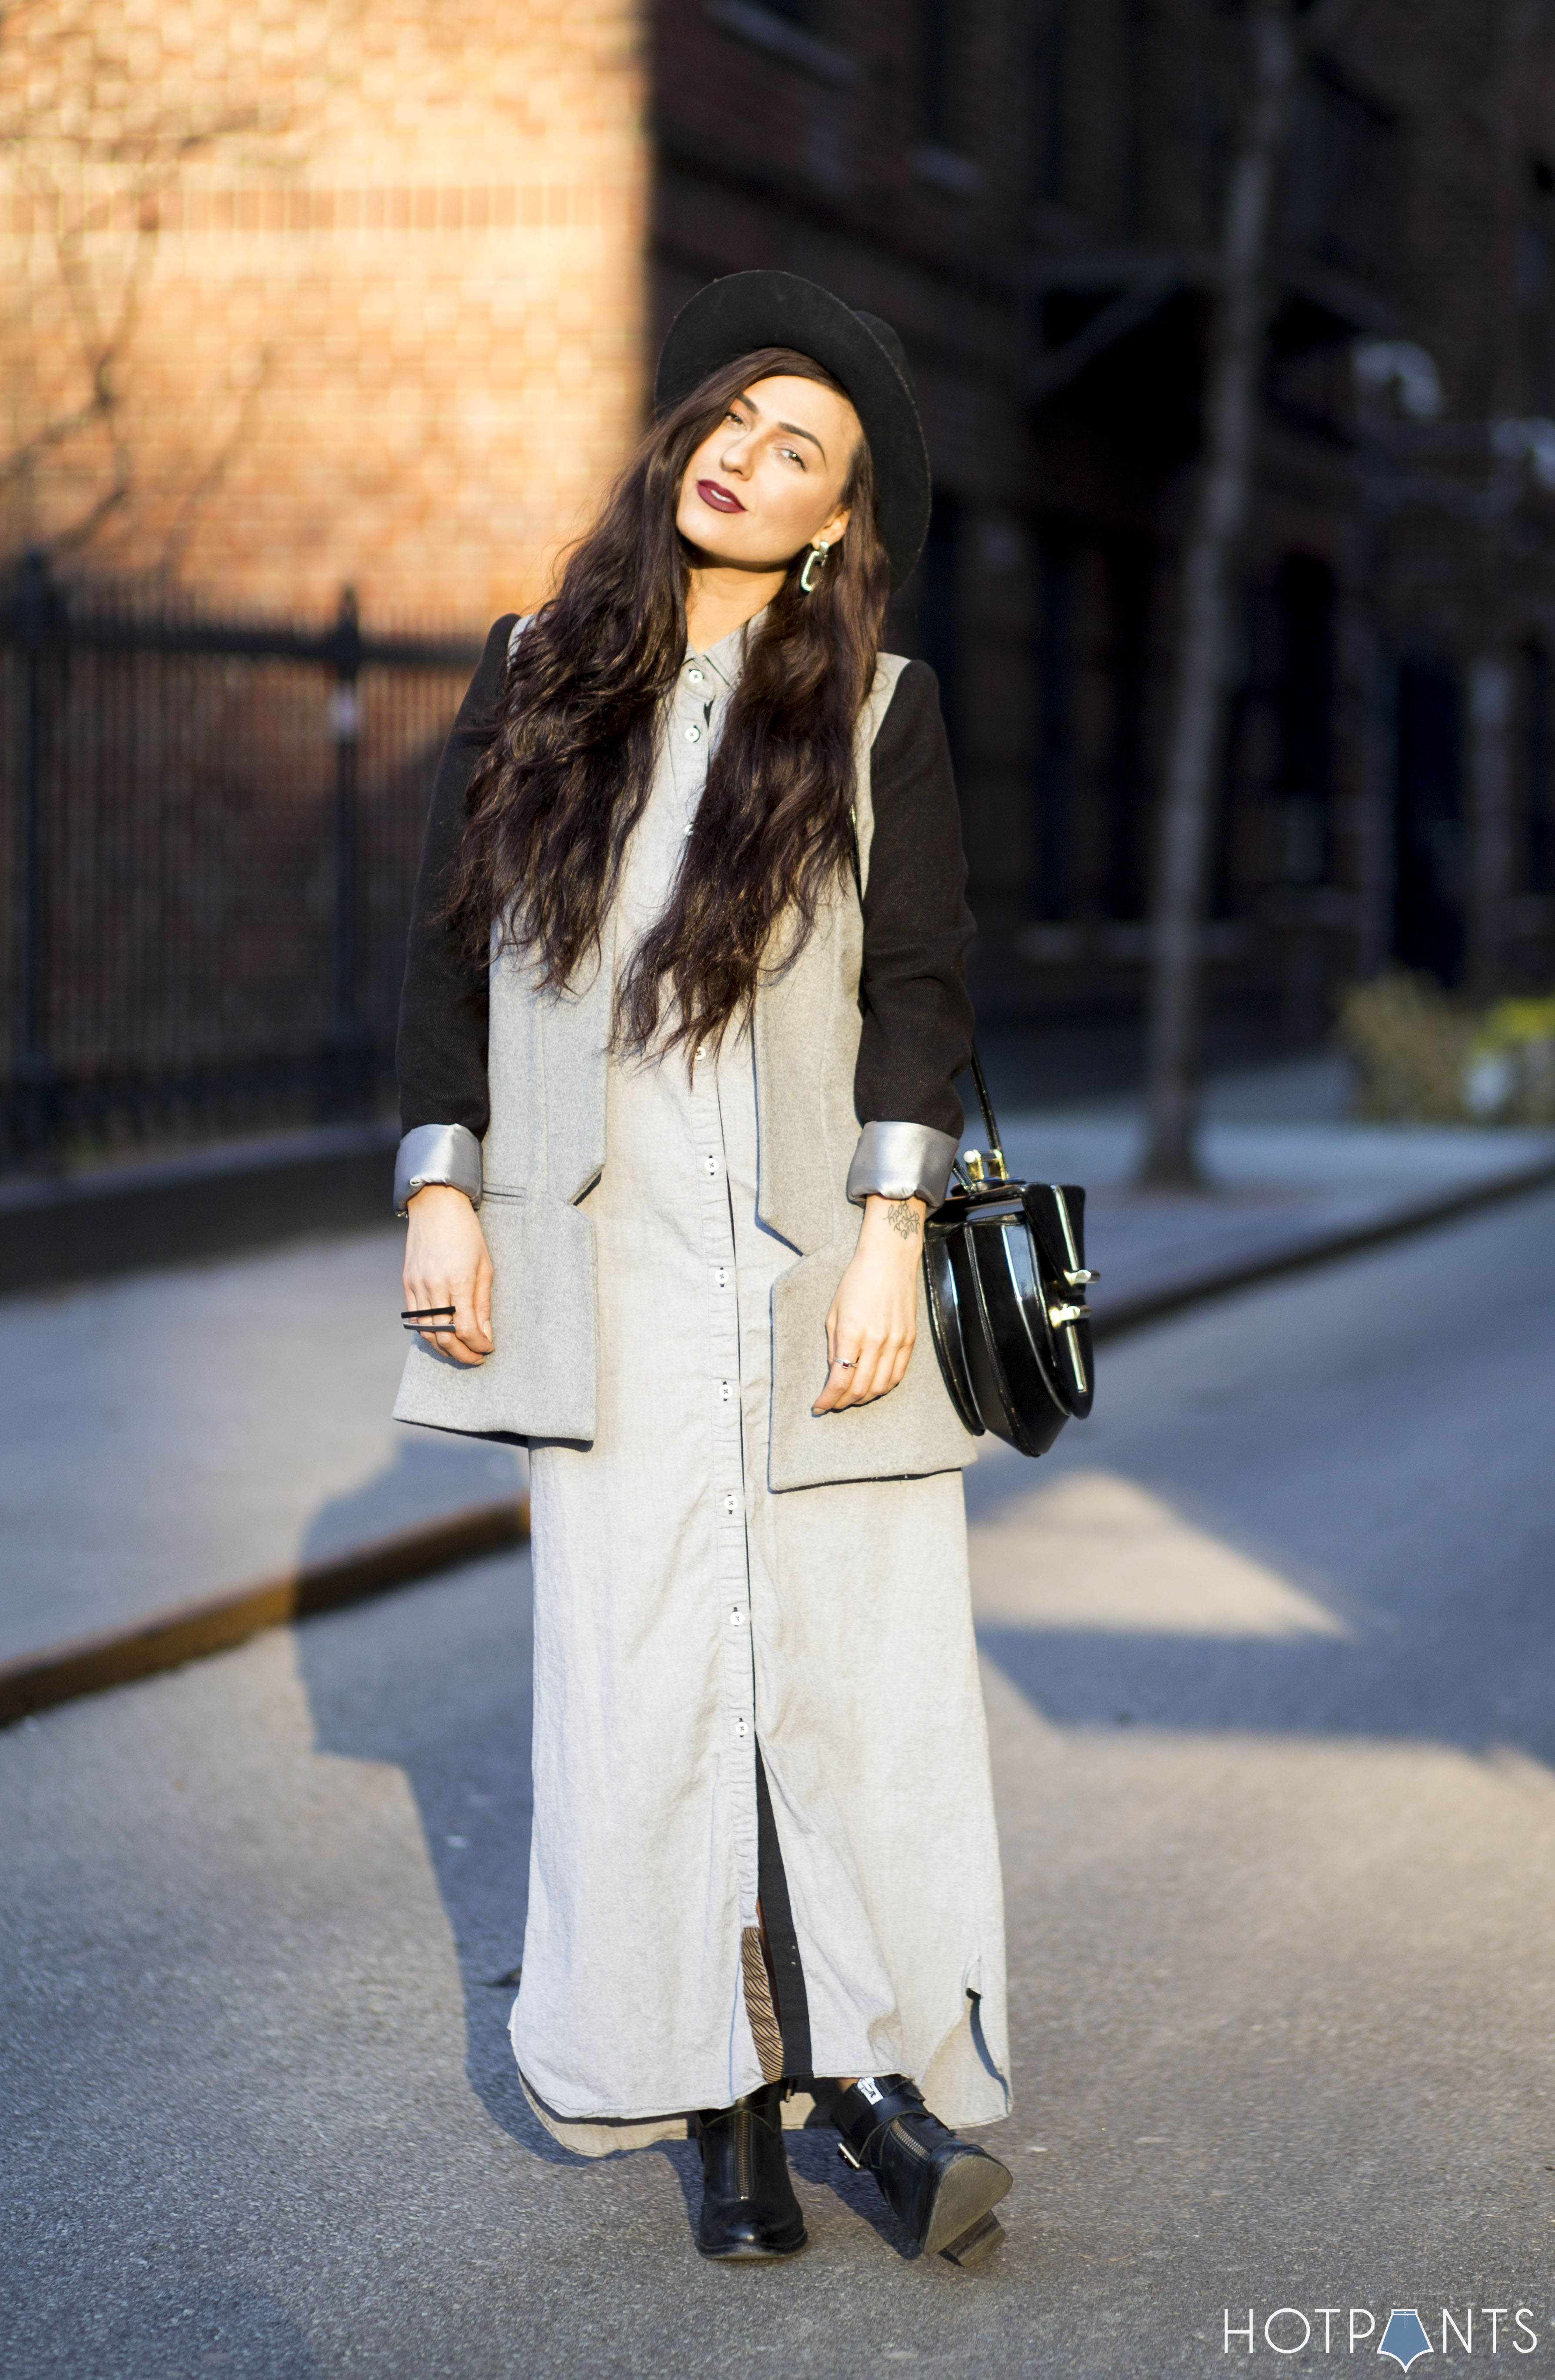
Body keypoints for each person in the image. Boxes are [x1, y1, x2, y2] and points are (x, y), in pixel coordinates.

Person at [392, 271, 1012, 2269]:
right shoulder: (536, 670)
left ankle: (873, 2083)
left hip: (815, 1270)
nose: (751, 460)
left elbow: (923, 987)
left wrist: (886, 1243)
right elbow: (443, 961)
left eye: (801, 450)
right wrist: (440, 1188)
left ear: (837, 518)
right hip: (603, 1268)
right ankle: (716, 2095)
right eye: (736, 419)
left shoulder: (879, 713)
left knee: (851, 1687)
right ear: (686, 439)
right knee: (651, 1685)